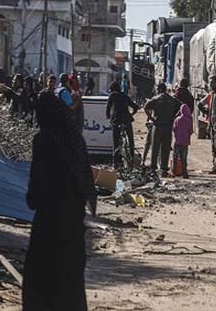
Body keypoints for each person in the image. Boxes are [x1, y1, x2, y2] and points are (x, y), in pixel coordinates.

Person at [23, 91, 97, 311]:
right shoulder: (75, 139)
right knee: (71, 283)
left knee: (41, 280)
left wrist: (32, 199)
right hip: (73, 224)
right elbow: (84, 178)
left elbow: (37, 186)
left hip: (49, 224)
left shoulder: (43, 139)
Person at [143, 83, 181, 176]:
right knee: (166, 148)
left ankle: (153, 168)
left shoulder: (156, 99)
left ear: (159, 89)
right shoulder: (172, 99)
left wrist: (151, 119)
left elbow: (145, 107)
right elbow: (181, 107)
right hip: (168, 126)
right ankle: (163, 169)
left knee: (155, 147)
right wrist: (173, 117)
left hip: (157, 125)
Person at [106, 80, 139, 169]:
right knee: (131, 140)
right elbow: (135, 107)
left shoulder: (112, 95)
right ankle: (131, 158)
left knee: (116, 142)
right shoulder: (125, 96)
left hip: (116, 121)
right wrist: (131, 114)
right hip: (126, 120)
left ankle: (116, 163)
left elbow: (108, 109)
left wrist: (109, 118)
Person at [201, 76, 216, 174]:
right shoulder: (212, 95)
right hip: (212, 125)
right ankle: (215, 166)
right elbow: (210, 110)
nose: (210, 85)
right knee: (214, 148)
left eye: (212, 83)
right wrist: (208, 117)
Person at [172, 103, 194, 178]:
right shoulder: (189, 120)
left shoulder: (177, 120)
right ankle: (184, 173)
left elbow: (174, 129)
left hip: (177, 141)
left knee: (175, 157)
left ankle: (174, 172)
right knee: (184, 158)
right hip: (185, 142)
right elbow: (190, 131)